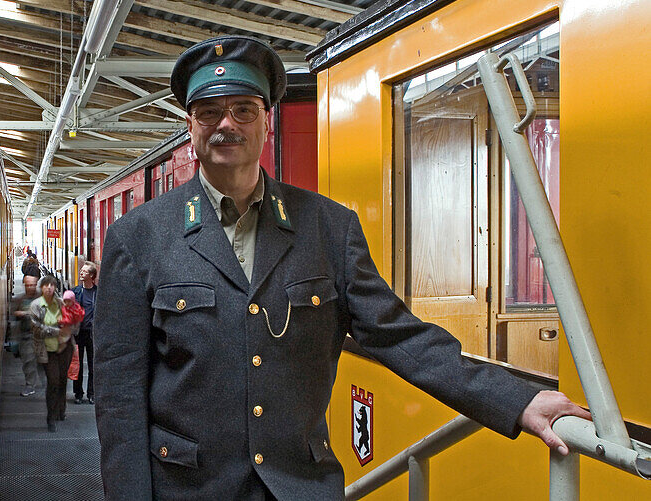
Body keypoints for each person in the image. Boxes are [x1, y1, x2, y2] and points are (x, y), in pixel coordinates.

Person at [93, 35, 589, 500]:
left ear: (267, 120)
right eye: (209, 112)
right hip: (188, 488)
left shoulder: (328, 227)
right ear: (190, 127)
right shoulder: (138, 237)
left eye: (243, 110)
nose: (227, 124)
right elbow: (119, 396)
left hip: (300, 486)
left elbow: (399, 337)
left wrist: (516, 400)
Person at [30, 275, 79, 432]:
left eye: (52, 285)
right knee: (53, 382)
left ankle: (61, 411)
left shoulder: (62, 303)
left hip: (65, 348)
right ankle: (51, 418)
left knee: (62, 380)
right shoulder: (36, 305)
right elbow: (36, 329)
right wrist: (56, 331)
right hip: (47, 350)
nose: (49, 288)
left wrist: (68, 329)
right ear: (41, 287)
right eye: (46, 285)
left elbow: (74, 321)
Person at [72, 261, 98, 405]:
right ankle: (78, 393)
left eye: (85, 271)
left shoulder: (97, 293)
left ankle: (91, 393)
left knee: (93, 364)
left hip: (92, 334)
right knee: (78, 364)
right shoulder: (75, 291)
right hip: (78, 333)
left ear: (92, 276)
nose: (81, 273)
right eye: (81, 270)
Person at [10, 275, 40, 396]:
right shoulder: (19, 299)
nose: (30, 287)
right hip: (26, 335)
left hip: (42, 335)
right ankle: (30, 385)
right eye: (28, 285)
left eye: (32, 285)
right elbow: (13, 313)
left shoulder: (42, 297)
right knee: (28, 361)